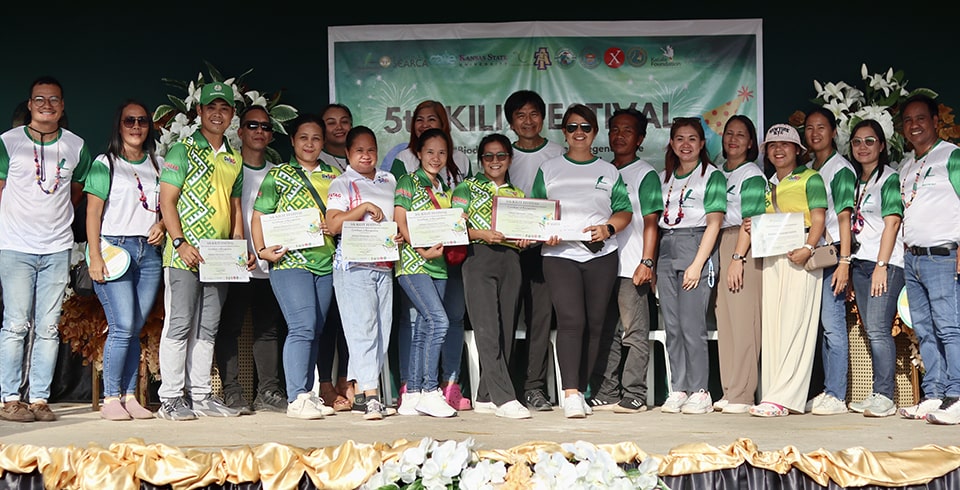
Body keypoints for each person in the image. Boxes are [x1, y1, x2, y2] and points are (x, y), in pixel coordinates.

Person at [531, 104, 633, 419]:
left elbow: (624, 211)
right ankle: (571, 393)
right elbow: (536, 211)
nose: (579, 133)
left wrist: (608, 227)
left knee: (596, 325)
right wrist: (543, 232)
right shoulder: (549, 169)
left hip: (600, 255)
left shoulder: (609, 170)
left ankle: (582, 388)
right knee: (572, 321)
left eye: (585, 127)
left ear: (594, 133)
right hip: (560, 255)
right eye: (573, 127)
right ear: (564, 132)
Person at [0, 76, 92, 423]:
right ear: (29, 105)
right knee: (15, 324)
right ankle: (10, 398)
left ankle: (39, 398)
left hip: (56, 247)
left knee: (49, 327)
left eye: (54, 100)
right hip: (15, 246)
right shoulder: (8, 142)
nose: (47, 105)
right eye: (40, 99)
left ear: (63, 106)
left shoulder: (76, 145)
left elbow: (78, 188)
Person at [157, 82, 249, 421]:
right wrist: (180, 242)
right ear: (199, 112)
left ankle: (200, 396)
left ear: (232, 115)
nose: (217, 113)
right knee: (180, 324)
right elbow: (166, 200)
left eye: (224, 108)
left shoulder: (233, 156)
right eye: (211, 107)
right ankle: (169, 398)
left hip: (218, 257)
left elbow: (235, 206)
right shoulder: (181, 150)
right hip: (183, 253)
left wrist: (237, 245)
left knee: (207, 328)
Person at [252, 113, 341, 420]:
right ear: (292, 141)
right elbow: (258, 216)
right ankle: (297, 397)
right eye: (303, 138)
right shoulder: (278, 175)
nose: (310, 144)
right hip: (290, 262)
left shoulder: (334, 176)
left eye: (316, 138)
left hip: (325, 262)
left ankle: (308, 393)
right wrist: (262, 250)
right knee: (302, 326)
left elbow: (341, 215)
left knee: (314, 329)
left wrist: (336, 226)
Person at [84, 100, 164, 421]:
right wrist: (94, 256)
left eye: (142, 121)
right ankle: (110, 398)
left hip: (149, 253)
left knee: (135, 328)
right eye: (129, 120)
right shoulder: (106, 163)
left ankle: (130, 396)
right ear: (119, 125)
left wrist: (161, 224)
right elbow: (92, 212)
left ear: (149, 126)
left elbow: (165, 206)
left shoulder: (157, 164)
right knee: (122, 326)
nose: (135, 126)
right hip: (115, 250)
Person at [390, 100, 471, 411]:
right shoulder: (408, 181)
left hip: (437, 266)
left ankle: (411, 397)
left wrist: (457, 225)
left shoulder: (443, 189)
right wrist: (420, 248)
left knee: (425, 325)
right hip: (413, 264)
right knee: (438, 321)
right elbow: (400, 218)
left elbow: (447, 226)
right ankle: (426, 391)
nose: (436, 158)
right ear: (419, 155)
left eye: (441, 153)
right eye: (430, 152)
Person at [748, 123, 828, 418]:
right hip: (772, 255)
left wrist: (809, 246)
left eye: (785, 145)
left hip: (800, 253)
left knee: (796, 324)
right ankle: (771, 394)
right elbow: (762, 221)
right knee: (774, 325)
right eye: (772, 145)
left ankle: (787, 397)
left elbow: (818, 217)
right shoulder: (766, 184)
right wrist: (751, 227)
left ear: (797, 150)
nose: (778, 150)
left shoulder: (811, 178)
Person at [586, 108, 662, 413]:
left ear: (641, 138)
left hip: (632, 264)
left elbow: (652, 223)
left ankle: (635, 393)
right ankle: (607, 389)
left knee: (634, 331)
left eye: (628, 131)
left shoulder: (645, 174)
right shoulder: (602, 171)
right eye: (615, 129)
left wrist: (647, 262)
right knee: (607, 330)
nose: (619, 136)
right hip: (604, 264)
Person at [214, 105, 288, 415]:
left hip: (268, 262)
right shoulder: (228, 167)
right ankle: (231, 391)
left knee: (267, 329)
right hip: (232, 261)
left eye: (266, 127)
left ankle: (267, 391)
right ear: (240, 131)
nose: (260, 131)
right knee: (228, 326)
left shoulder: (279, 173)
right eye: (252, 125)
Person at [452, 133, 532, 419]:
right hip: (478, 257)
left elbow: (529, 231)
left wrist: (526, 239)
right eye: (488, 156)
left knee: (507, 329)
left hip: (511, 260)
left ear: (509, 159)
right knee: (487, 329)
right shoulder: (467, 187)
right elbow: (453, 228)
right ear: (480, 160)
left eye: (501, 156)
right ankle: (504, 398)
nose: (495, 161)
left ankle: (486, 395)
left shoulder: (518, 194)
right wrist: (481, 233)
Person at [326, 125, 399, 420]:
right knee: (362, 329)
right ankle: (371, 396)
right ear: (347, 153)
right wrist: (364, 207)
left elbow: (395, 219)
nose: (366, 156)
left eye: (371, 150)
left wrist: (399, 235)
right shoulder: (341, 184)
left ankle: (360, 392)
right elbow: (333, 225)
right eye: (359, 151)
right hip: (352, 267)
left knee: (382, 329)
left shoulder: (388, 179)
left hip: (384, 264)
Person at [895, 95, 960, 425]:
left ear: (936, 121)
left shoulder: (952, 156)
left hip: (944, 256)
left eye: (921, 118)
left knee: (950, 328)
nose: (914, 124)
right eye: (907, 120)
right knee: (925, 330)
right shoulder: (907, 166)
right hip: (913, 258)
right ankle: (934, 394)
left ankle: (957, 395)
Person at [656, 117, 727, 415]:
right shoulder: (665, 177)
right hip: (666, 246)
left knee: (691, 324)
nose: (686, 145)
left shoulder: (712, 176)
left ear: (702, 144)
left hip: (696, 246)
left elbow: (715, 223)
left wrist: (698, 264)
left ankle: (700, 390)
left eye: (692, 139)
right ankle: (679, 388)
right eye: (680, 139)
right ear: (672, 143)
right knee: (672, 326)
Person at [503, 90, 565, 412]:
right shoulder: (501, 154)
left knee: (540, 320)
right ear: (511, 122)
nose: (527, 121)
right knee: (506, 319)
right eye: (520, 116)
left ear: (543, 118)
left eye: (533, 114)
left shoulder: (557, 153)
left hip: (545, 251)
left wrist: (551, 231)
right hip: (507, 250)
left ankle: (534, 388)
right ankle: (502, 388)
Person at [845, 119, 904, 418]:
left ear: (882, 145)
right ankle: (877, 392)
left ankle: (885, 396)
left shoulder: (889, 179)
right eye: (857, 141)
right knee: (871, 330)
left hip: (886, 263)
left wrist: (882, 264)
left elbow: (892, 222)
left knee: (880, 330)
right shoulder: (855, 181)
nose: (863, 147)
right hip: (860, 263)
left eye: (870, 141)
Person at [804, 107, 856, 416]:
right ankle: (826, 390)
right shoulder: (809, 168)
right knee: (821, 327)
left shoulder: (840, 169)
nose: (815, 133)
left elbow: (844, 218)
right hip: (812, 256)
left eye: (821, 127)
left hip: (833, 253)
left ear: (834, 131)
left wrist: (845, 261)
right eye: (809, 128)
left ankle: (837, 394)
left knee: (833, 326)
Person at [713, 115, 766, 414]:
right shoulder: (720, 174)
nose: (733, 139)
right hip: (720, 241)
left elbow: (752, 220)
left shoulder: (751, 175)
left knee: (745, 320)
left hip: (741, 243)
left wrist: (738, 257)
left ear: (750, 143)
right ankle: (730, 390)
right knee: (727, 320)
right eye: (729, 133)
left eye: (741, 135)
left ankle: (744, 394)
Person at [317, 102, 354, 412]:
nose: (338, 127)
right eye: (331, 122)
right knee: (328, 319)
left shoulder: (361, 163)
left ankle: (346, 379)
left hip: (361, 252)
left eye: (344, 121)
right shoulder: (317, 162)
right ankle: (325, 384)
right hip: (326, 249)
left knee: (350, 320)